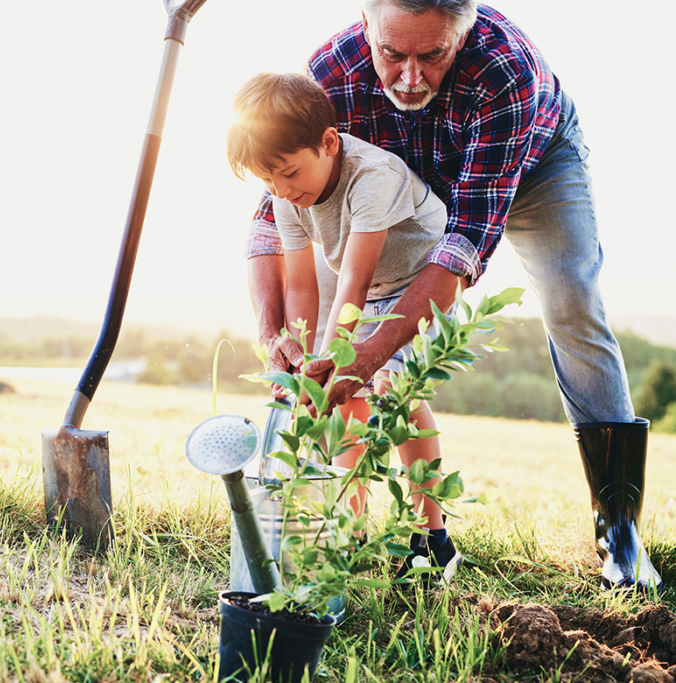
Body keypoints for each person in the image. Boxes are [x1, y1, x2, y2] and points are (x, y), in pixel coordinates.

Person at [244, 0, 662, 591]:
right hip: (399, 188)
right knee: (337, 361)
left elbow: (463, 243)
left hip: (530, 165)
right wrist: (274, 335)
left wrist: (369, 357)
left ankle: (618, 531)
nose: (410, 77)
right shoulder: (330, 74)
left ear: (461, 35)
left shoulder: (504, 71)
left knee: (571, 297)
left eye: (432, 54)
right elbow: (275, 212)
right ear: (367, 27)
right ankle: (348, 527)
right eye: (392, 54)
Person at [229, 71, 463, 585]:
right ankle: (350, 530)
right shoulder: (288, 196)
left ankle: (433, 537)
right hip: (364, 285)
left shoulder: (371, 177)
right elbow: (305, 288)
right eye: (269, 182)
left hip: (416, 279)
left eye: (289, 173)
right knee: (343, 399)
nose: (282, 191)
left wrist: (336, 359)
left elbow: (353, 282)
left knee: (390, 388)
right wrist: (300, 358)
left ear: (328, 143)